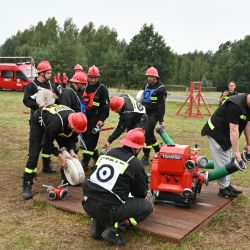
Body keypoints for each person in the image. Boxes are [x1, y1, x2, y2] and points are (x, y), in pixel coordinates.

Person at [82, 128, 153, 246]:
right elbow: (140, 194)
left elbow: (95, 177)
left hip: (87, 204)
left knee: (104, 195)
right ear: (138, 148)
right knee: (147, 206)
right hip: (108, 209)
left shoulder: (106, 153)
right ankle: (116, 230)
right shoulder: (135, 162)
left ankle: (97, 226)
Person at [22, 104, 88, 200]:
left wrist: (71, 150)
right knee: (34, 154)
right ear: (70, 123)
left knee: (67, 149)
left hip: (56, 123)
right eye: (74, 129)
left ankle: (66, 177)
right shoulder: (56, 123)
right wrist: (59, 155)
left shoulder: (75, 121)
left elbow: (71, 138)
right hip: (38, 122)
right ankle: (27, 184)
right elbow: (46, 143)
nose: (76, 131)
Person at [201, 93, 250, 198]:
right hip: (217, 132)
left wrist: (249, 144)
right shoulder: (235, 105)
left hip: (226, 133)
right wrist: (237, 152)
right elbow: (234, 130)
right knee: (223, 163)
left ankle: (227, 186)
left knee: (226, 160)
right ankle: (223, 189)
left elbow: (248, 125)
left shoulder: (248, 105)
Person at [23, 60, 60, 174]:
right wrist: (38, 105)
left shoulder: (51, 85)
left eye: (50, 73)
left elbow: (57, 100)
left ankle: (46, 165)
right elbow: (26, 100)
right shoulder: (31, 86)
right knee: (35, 146)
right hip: (36, 121)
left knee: (48, 142)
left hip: (49, 122)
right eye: (48, 73)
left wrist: (56, 98)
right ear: (41, 73)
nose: (50, 75)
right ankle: (31, 171)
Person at [82, 65, 110, 171]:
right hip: (84, 117)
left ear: (98, 77)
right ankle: (97, 159)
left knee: (91, 140)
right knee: (85, 139)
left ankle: (85, 162)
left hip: (96, 117)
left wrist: (102, 119)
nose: (93, 79)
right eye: (91, 77)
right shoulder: (85, 87)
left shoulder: (102, 89)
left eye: (95, 77)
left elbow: (106, 107)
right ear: (88, 76)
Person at [140, 66, 167, 166]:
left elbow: (161, 106)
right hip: (145, 112)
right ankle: (158, 151)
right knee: (149, 134)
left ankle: (146, 156)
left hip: (154, 113)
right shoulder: (146, 86)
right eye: (148, 77)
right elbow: (142, 98)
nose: (149, 79)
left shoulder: (161, 88)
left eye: (151, 77)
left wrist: (161, 120)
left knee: (146, 133)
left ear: (156, 77)